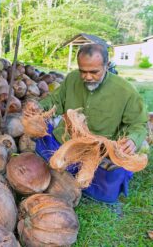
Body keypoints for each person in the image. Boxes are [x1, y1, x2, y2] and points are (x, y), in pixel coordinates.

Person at [34, 43, 148, 203]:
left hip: (98, 152)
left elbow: (138, 123)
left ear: (107, 66)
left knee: (113, 178)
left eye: (94, 72)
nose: (87, 77)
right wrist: (38, 107)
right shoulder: (72, 78)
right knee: (41, 139)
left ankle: (74, 174)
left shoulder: (126, 91)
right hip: (66, 142)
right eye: (83, 71)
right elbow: (55, 101)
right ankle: (69, 170)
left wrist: (132, 140)